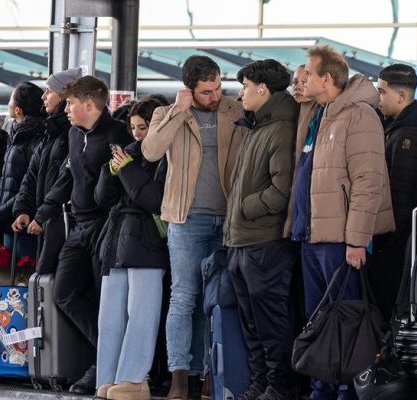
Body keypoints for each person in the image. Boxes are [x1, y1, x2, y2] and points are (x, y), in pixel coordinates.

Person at [286, 45, 395, 399]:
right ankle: (324, 387)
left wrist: (356, 240)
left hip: (340, 241)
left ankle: (348, 389)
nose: (303, 77)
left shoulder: (359, 115)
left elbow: (368, 181)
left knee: (346, 321)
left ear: (327, 78)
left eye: (309, 71)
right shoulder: (321, 112)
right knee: (319, 321)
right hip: (313, 234)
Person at [140, 55, 247, 399]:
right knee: (185, 296)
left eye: (217, 87)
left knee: (214, 299)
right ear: (189, 90)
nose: (214, 95)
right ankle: (179, 374)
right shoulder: (167, 114)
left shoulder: (235, 110)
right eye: (206, 91)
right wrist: (178, 112)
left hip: (228, 218)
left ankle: (209, 374)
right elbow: (152, 151)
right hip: (187, 218)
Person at [39, 75, 134, 395]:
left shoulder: (117, 134)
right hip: (80, 224)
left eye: (70, 104)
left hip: (109, 224)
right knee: (63, 290)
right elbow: (67, 178)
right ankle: (104, 353)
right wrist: (43, 212)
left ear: (89, 105)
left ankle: (103, 366)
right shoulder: (73, 133)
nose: (65, 109)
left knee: (105, 298)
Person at [224, 60, 298, 400]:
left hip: (264, 242)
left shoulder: (281, 128)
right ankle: (261, 383)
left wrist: (243, 208)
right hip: (242, 241)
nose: (241, 93)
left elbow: (282, 191)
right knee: (251, 324)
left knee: (270, 323)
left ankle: (280, 387)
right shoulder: (256, 127)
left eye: (245, 86)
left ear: (263, 89)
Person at [93, 97, 169, 400]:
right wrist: (110, 171)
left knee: (141, 312)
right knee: (110, 315)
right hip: (118, 238)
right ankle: (109, 377)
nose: (137, 133)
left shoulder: (165, 155)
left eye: (144, 127)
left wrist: (124, 170)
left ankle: (133, 377)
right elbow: (102, 199)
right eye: (134, 127)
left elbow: (154, 199)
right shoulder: (129, 155)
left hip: (146, 239)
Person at [368, 64, 417, 320]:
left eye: (382, 92)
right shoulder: (396, 128)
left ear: (401, 96)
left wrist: (386, 238)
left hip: (397, 240)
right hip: (396, 237)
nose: (378, 98)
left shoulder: (410, 135)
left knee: (388, 303)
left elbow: (402, 192)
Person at [11, 67, 82, 273]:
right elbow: (31, 174)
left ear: (64, 94)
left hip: (60, 222)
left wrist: (42, 215)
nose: (43, 97)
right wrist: (23, 209)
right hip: (45, 222)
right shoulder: (50, 132)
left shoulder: (73, 133)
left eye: (49, 91)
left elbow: (65, 181)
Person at [0, 82, 47, 259]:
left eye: (10, 99)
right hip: (7, 224)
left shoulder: (36, 139)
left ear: (18, 110)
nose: (7, 103)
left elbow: (28, 186)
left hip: (22, 225)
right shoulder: (15, 136)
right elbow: (4, 186)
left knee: (20, 279)